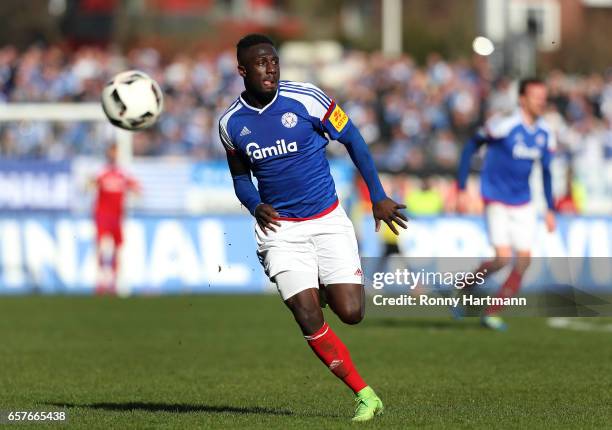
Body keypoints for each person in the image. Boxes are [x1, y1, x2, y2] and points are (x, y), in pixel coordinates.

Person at [219, 34, 407, 422]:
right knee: (306, 315)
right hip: (281, 232)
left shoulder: (308, 99)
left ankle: (320, 284)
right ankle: (365, 394)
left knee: (351, 313)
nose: (270, 68)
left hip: (327, 220)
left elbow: (353, 138)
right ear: (242, 70)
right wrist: (255, 205)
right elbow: (240, 179)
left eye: (274, 60)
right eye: (260, 63)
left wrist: (378, 195)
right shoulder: (230, 124)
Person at [457, 78, 556, 331]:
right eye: (536, 96)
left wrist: (550, 209)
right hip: (496, 198)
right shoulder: (504, 124)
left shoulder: (545, 132)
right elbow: (470, 147)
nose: (541, 101)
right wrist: (461, 187)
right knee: (501, 259)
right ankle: (464, 287)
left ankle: (491, 312)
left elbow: (546, 172)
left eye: (543, 97)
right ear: (522, 99)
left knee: (524, 261)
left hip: (523, 201)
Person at [92, 144, 140, 295]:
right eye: (111, 152)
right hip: (102, 215)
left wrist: (136, 193)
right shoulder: (102, 171)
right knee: (103, 247)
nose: (113, 155)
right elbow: (90, 184)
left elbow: (136, 187)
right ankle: (101, 280)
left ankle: (114, 281)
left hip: (117, 217)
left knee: (117, 249)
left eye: (115, 152)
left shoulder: (122, 174)